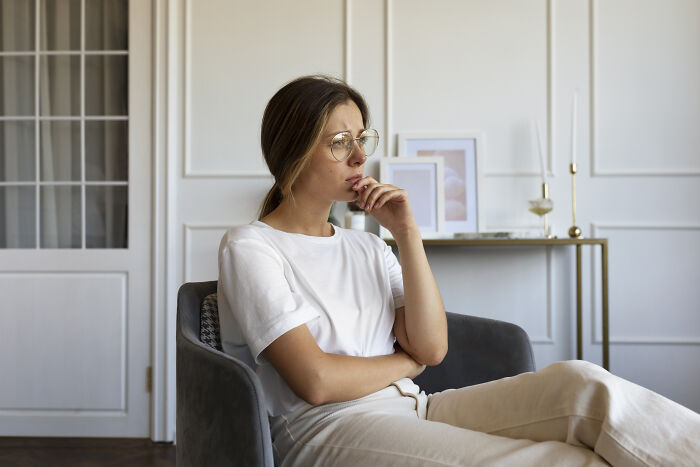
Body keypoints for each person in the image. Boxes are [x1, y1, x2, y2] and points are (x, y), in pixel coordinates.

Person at [217, 75, 700, 467]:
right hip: (326, 430)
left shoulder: (368, 245)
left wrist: (407, 235)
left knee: (582, 385)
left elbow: (431, 346)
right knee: (562, 460)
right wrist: (406, 365)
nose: (362, 156)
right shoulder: (252, 246)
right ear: (293, 151)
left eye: (362, 138)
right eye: (341, 142)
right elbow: (317, 382)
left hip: (414, 405)